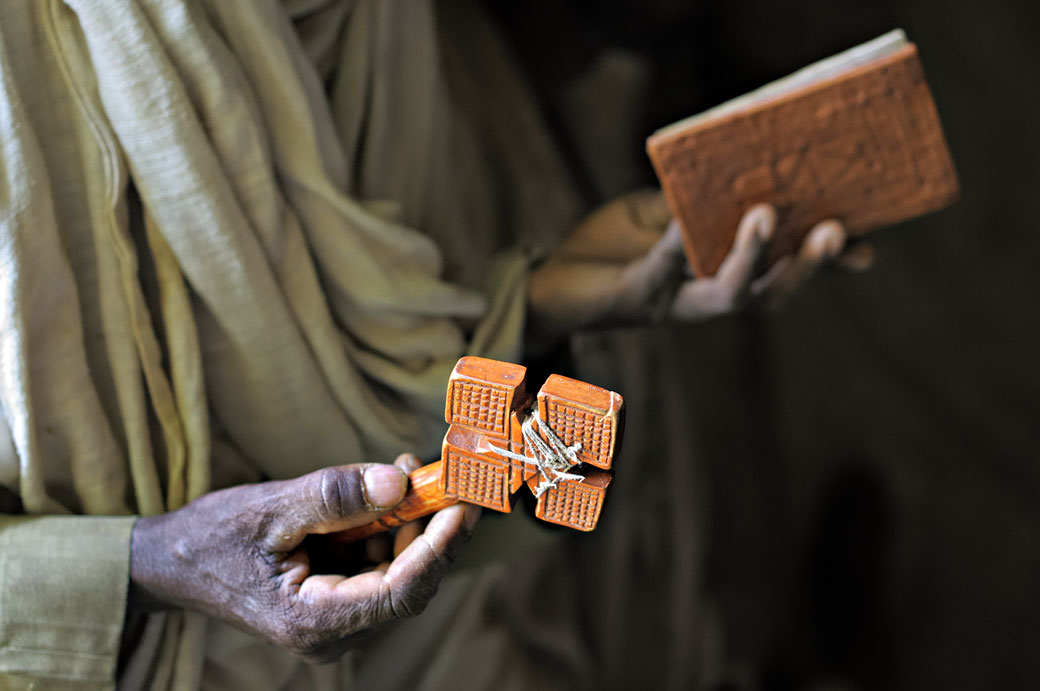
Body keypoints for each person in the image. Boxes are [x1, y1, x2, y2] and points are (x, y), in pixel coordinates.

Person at [0, 1, 857, 688]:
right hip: (138, 646)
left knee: (613, 585)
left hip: (468, 385)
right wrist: (152, 562)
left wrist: (530, 302)